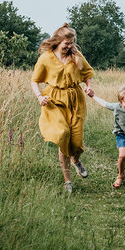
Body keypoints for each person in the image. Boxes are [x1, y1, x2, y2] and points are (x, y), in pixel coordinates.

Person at [31, 23, 94, 193]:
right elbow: (34, 80)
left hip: (75, 100)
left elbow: (88, 74)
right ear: (58, 41)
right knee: (62, 136)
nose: (69, 46)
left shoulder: (76, 56)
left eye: (72, 42)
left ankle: (76, 160)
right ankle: (67, 181)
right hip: (54, 100)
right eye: (67, 43)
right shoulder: (46, 58)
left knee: (77, 143)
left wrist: (88, 87)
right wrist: (39, 96)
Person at [89, 85, 125, 188]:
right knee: (122, 155)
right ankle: (120, 176)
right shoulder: (116, 107)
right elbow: (104, 104)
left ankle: (121, 173)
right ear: (121, 102)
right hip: (121, 134)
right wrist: (93, 96)